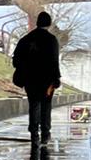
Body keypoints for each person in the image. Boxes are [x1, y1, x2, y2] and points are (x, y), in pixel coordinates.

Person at [11, 11, 63, 144]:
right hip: (47, 81)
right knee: (46, 105)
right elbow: (54, 61)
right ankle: (45, 133)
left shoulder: (26, 39)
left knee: (33, 104)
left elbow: (16, 60)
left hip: (30, 80)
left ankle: (34, 134)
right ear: (49, 24)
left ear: (37, 22)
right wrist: (56, 78)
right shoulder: (51, 40)